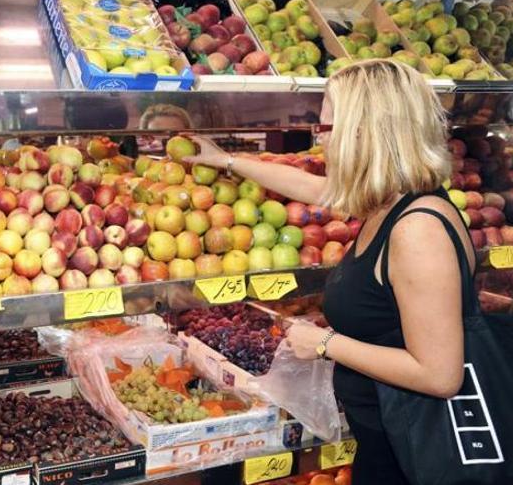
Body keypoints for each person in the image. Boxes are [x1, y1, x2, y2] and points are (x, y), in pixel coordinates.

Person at [184, 60, 467, 485]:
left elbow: (441, 375)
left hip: (414, 456)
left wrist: (326, 343)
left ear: (364, 132)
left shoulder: (417, 229)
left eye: (326, 129)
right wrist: (227, 160)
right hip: (388, 437)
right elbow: (317, 190)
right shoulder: (390, 201)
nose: (321, 143)